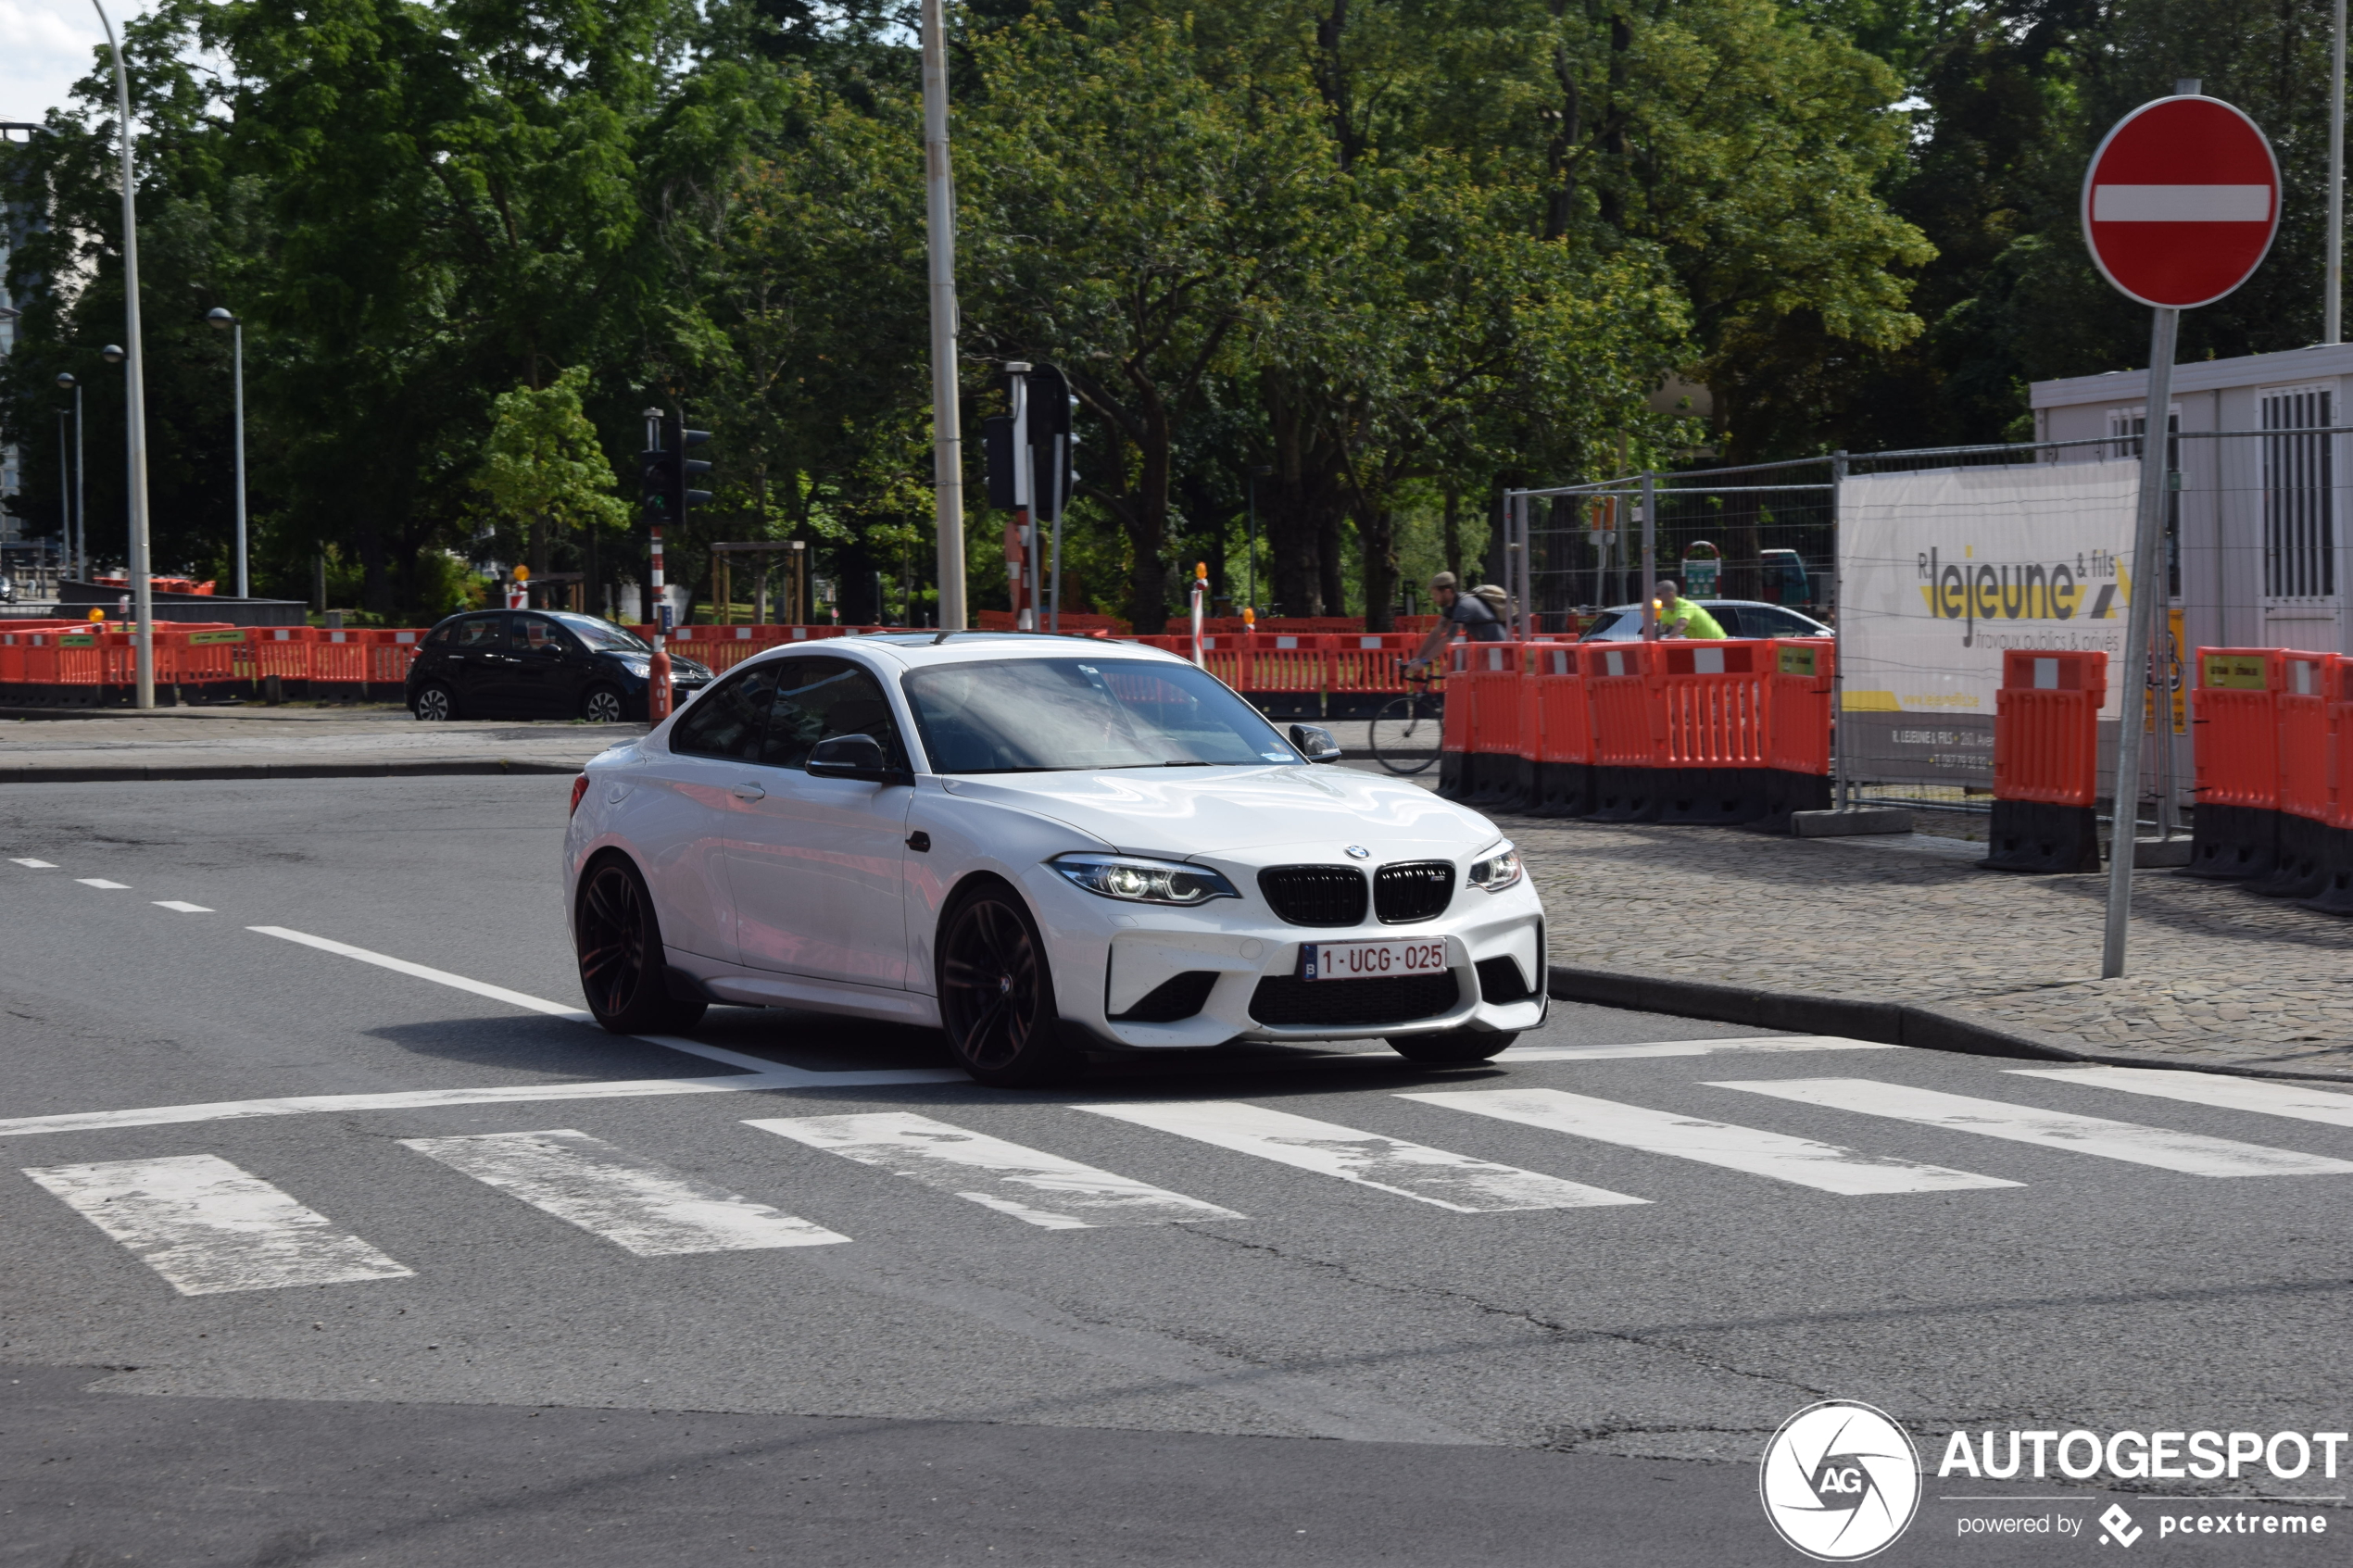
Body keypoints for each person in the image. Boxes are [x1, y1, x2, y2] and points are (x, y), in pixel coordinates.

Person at [1404, 571, 1506, 677]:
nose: (1434, 599)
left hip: (1501, 650)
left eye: (1435, 594)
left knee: (1494, 687)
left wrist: (1424, 662)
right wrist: (1417, 658)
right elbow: (1437, 631)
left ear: (1447, 591)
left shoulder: (1464, 606)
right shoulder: (1451, 606)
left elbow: (1449, 638)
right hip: (1490, 650)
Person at [1652, 579, 1726, 639]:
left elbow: (1675, 633)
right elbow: (1657, 633)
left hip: (1717, 642)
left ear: (1670, 594)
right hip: (1701, 645)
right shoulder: (1666, 612)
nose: (1656, 598)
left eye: (1658, 594)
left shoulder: (1685, 606)